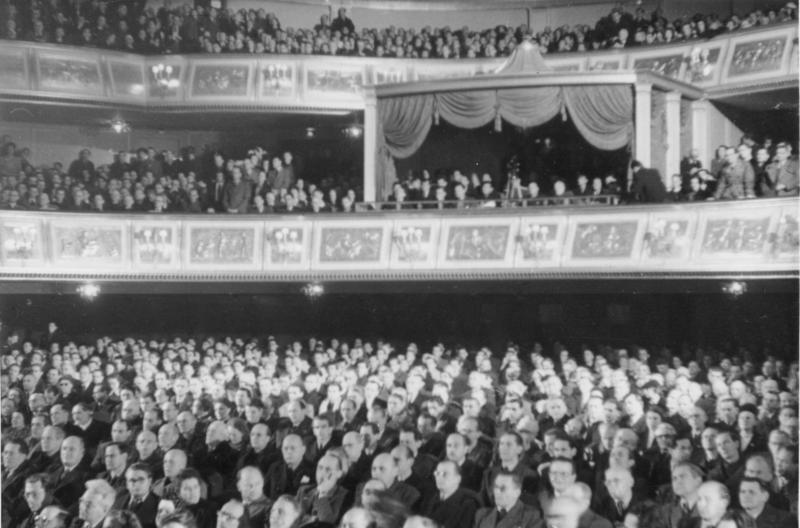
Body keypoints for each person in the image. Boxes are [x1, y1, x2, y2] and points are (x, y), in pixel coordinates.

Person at [473, 472, 542, 528]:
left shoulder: (532, 516)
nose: (497, 492)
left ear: (516, 493)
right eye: (496, 487)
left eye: (503, 488)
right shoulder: (482, 514)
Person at [426, 460, 480, 528]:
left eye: (445, 474)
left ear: (458, 479)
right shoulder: (429, 496)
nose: (439, 477)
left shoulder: (467, 504)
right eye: (437, 473)